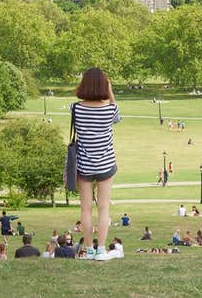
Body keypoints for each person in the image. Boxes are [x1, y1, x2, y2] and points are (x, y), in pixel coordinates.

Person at [72, 68, 120, 260]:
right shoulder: (110, 109)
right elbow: (117, 118)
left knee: (85, 209)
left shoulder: (75, 108)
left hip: (83, 164)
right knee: (103, 207)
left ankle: (88, 248)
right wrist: (110, 92)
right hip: (106, 164)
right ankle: (100, 248)